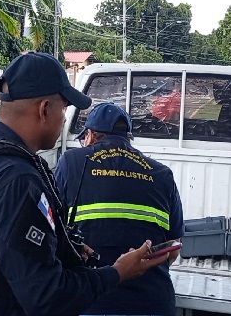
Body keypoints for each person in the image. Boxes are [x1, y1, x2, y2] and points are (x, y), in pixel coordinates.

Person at [0, 52, 169, 316]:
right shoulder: (17, 180)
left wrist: (62, 246)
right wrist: (117, 273)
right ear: (45, 109)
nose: (64, 119)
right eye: (64, 109)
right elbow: (47, 297)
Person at [54, 102, 184, 316]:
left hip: (91, 303)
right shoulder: (162, 173)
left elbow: (52, 230)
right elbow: (174, 248)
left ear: (90, 136)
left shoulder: (72, 161)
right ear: (128, 138)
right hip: (152, 302)